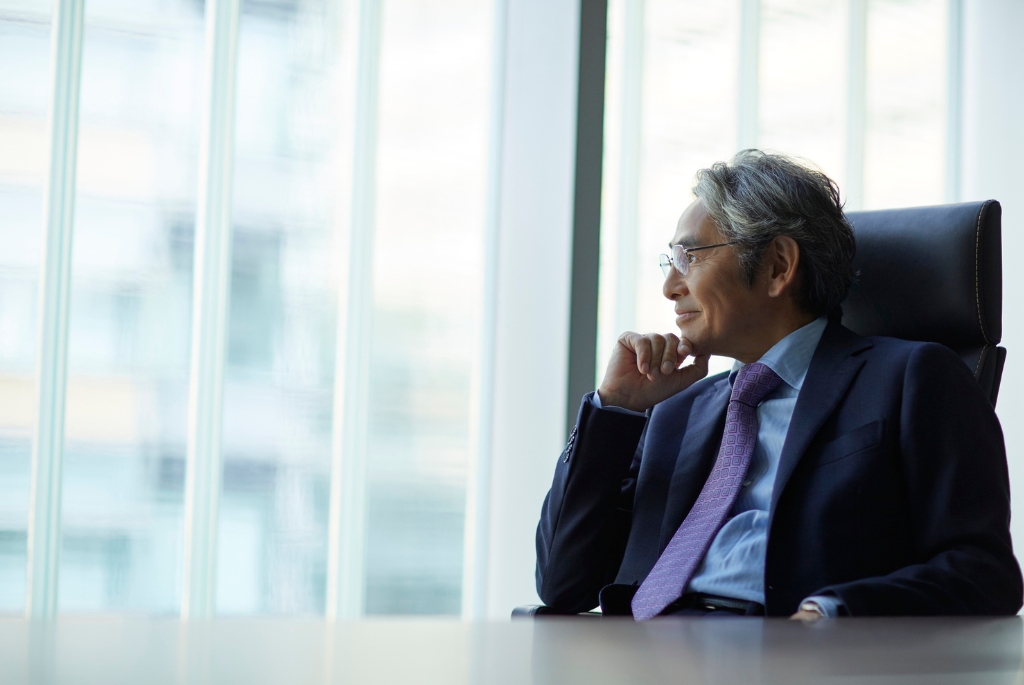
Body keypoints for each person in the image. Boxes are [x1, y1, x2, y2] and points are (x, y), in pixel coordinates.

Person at [535, 150, 1022, 619]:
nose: (670, 288)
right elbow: (562, 583)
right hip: (651, 653)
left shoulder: (911, 377)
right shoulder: (675, 410)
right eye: (670, 262)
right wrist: (614, 409)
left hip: (801, 655)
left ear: (777, 267)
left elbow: (983, 573)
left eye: (690, 257)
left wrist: (833, 612)